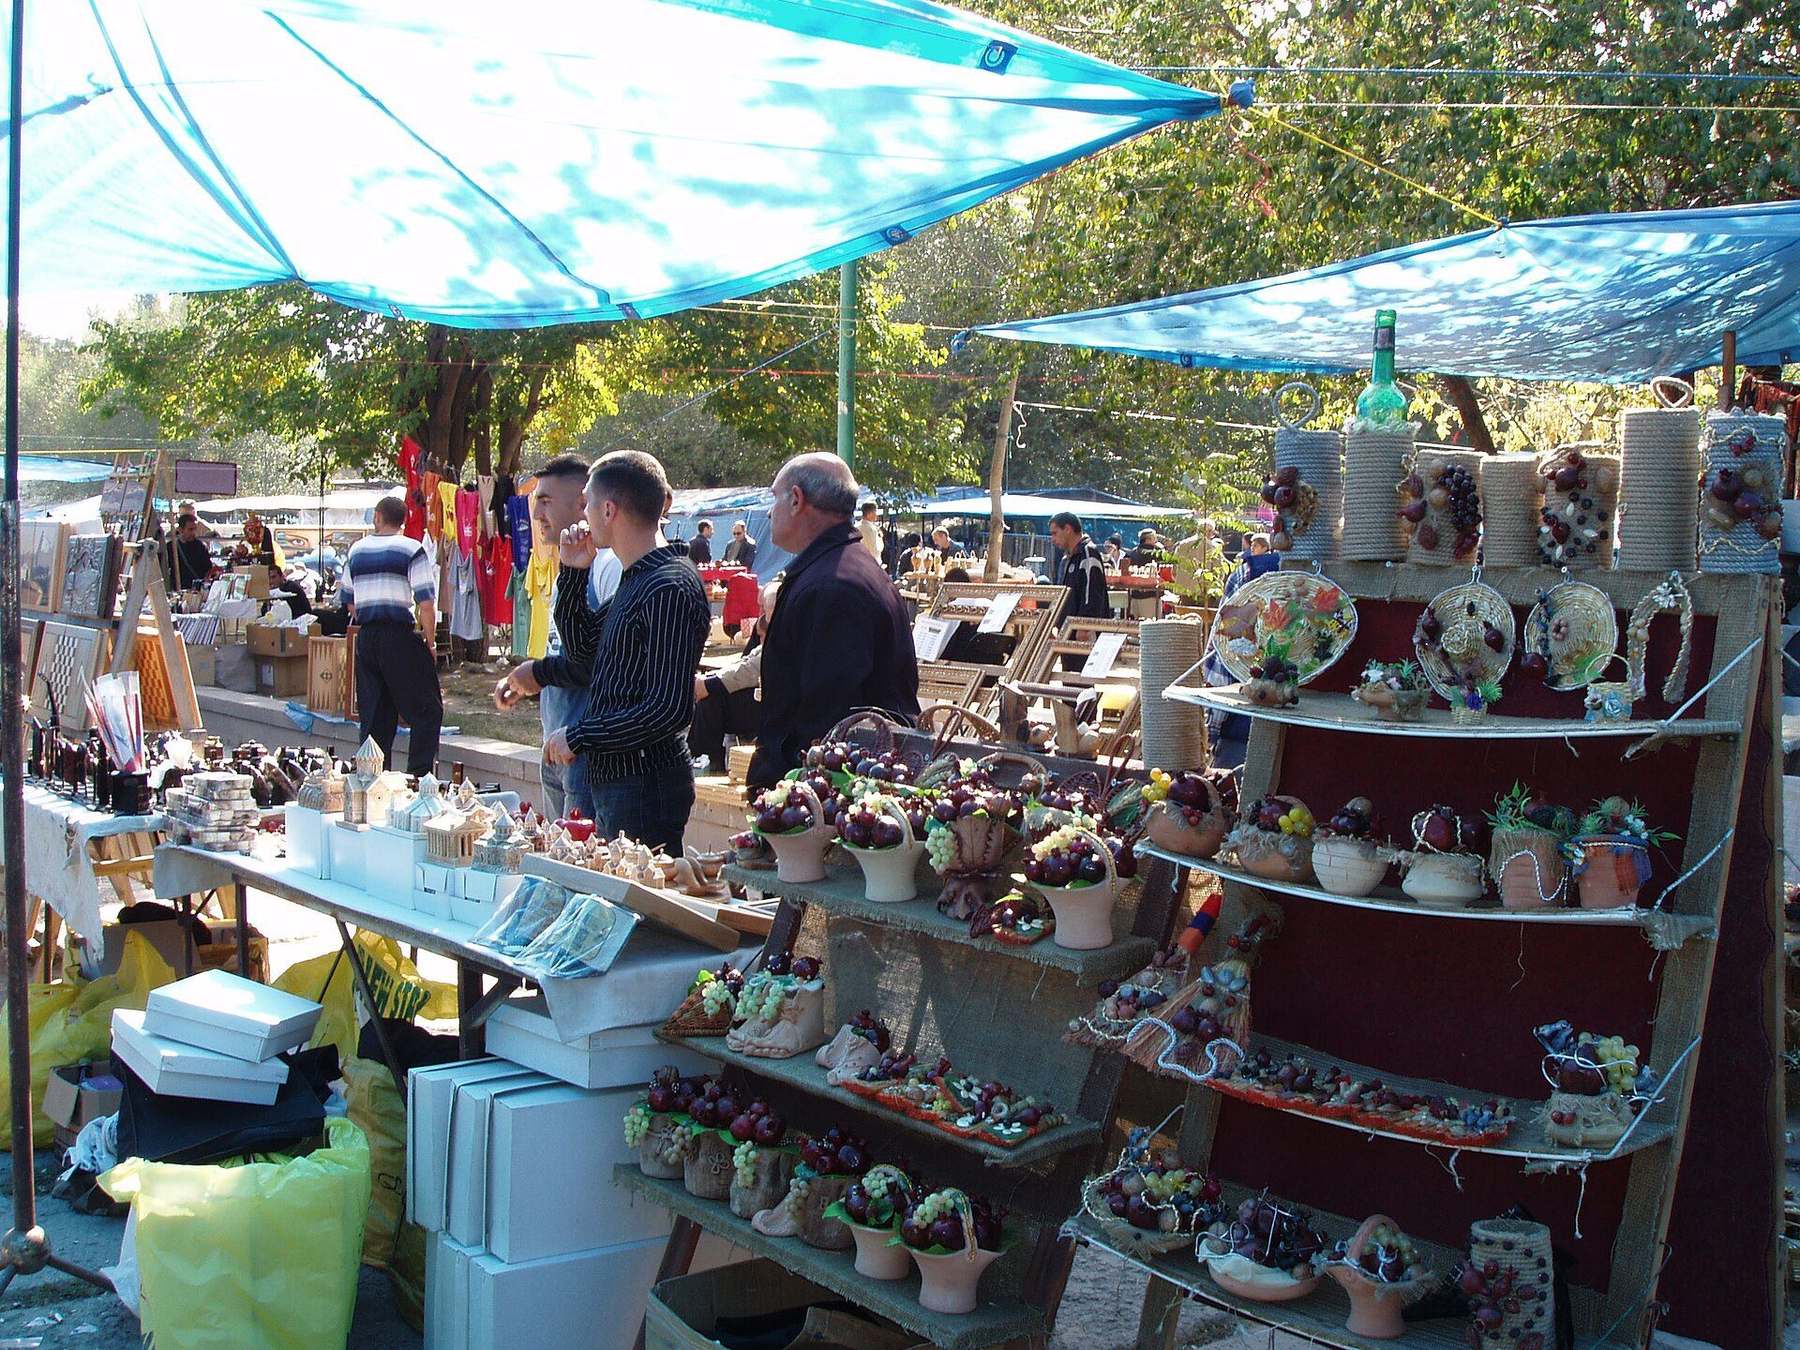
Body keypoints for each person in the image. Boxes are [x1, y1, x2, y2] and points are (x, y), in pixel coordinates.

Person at [501, 452, 708, 852]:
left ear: (609, 509)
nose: (584, 513)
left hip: (646, 785)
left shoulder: (669, 585)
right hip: (619, 781)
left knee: (640, 907)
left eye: (588, 503)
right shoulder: (640, 577)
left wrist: (580, 735)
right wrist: (575, 574)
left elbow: (668, 708)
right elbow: (585, 654)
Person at [749, 454, 919, 789]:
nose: (770, 511)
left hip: (827, 805)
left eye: (774, 498)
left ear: (796, 499)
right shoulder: (839, 569)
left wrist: (786, 793)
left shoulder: (833, 585)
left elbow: (825, 721)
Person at [493, 454, 619, 820]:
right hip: (556, 745)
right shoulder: (571, 562)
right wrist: (531, 677)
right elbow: (566, 650)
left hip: (586, 751)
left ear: (583, 502)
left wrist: (536, 673)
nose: (535, 516)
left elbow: (604, 664)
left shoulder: (607, 565)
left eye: (545, 501)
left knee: (579, 872)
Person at [339, 496, 442, 774]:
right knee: (427, 711)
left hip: (368, 636)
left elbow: (349, 602)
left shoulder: (356, 551)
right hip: (398, 634)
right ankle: (419, 779)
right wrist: (429, 642)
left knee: (375, 717)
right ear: (404, 521)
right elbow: (426, 604)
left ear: (377, 517)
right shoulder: (412, 549)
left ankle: (371, 779)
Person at [690, 580, 778, 775]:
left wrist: (711, 683)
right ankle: (705, 755)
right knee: (711, 695)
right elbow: (747, 660)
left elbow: (751, 669)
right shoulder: (767, 626)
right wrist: (711, 679)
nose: (761, 612)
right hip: (761, 694)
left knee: (712, 698)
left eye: (763, 607)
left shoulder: (782, 630)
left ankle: (706, 756)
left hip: (774, 702)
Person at [1049, 511, 1111, 620]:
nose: (1052, 539)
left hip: (1082, 629)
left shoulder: (1088, 553)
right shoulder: (1067, 559)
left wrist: (1084, 625)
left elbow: (1092, 593)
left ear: (1068, 529)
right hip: (1068, 627)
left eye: (1055, 533)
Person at [167, 515, 216, 591]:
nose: (193, 533)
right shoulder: (171, 547)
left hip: (197, 591)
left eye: (194, 529)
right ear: (180, 530)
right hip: (179, 590)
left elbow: (208, 569)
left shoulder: (200, 546)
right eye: (190, 529)